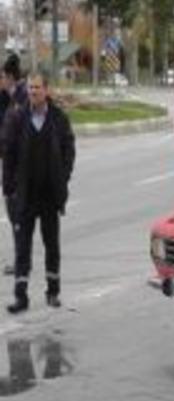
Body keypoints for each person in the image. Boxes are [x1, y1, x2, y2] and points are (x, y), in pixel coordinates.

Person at [3, 73, 75, 314]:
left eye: (37, 87)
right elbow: (8, 155)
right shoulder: (17, 118)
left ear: (46, 90)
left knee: (51, 245)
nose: (32, 91)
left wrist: (62, 179)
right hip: (24, 196)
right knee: (22, 248)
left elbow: (69, 149)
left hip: (49, 196)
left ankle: (53, 292)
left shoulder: (58, 118)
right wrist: (9, 190)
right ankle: (20, 297)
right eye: (30, 87)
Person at [0, 54, 28, 276]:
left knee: (16, 214)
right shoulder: (14, 96)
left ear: (9, 76)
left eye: (2, 76)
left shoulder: (21, 98)